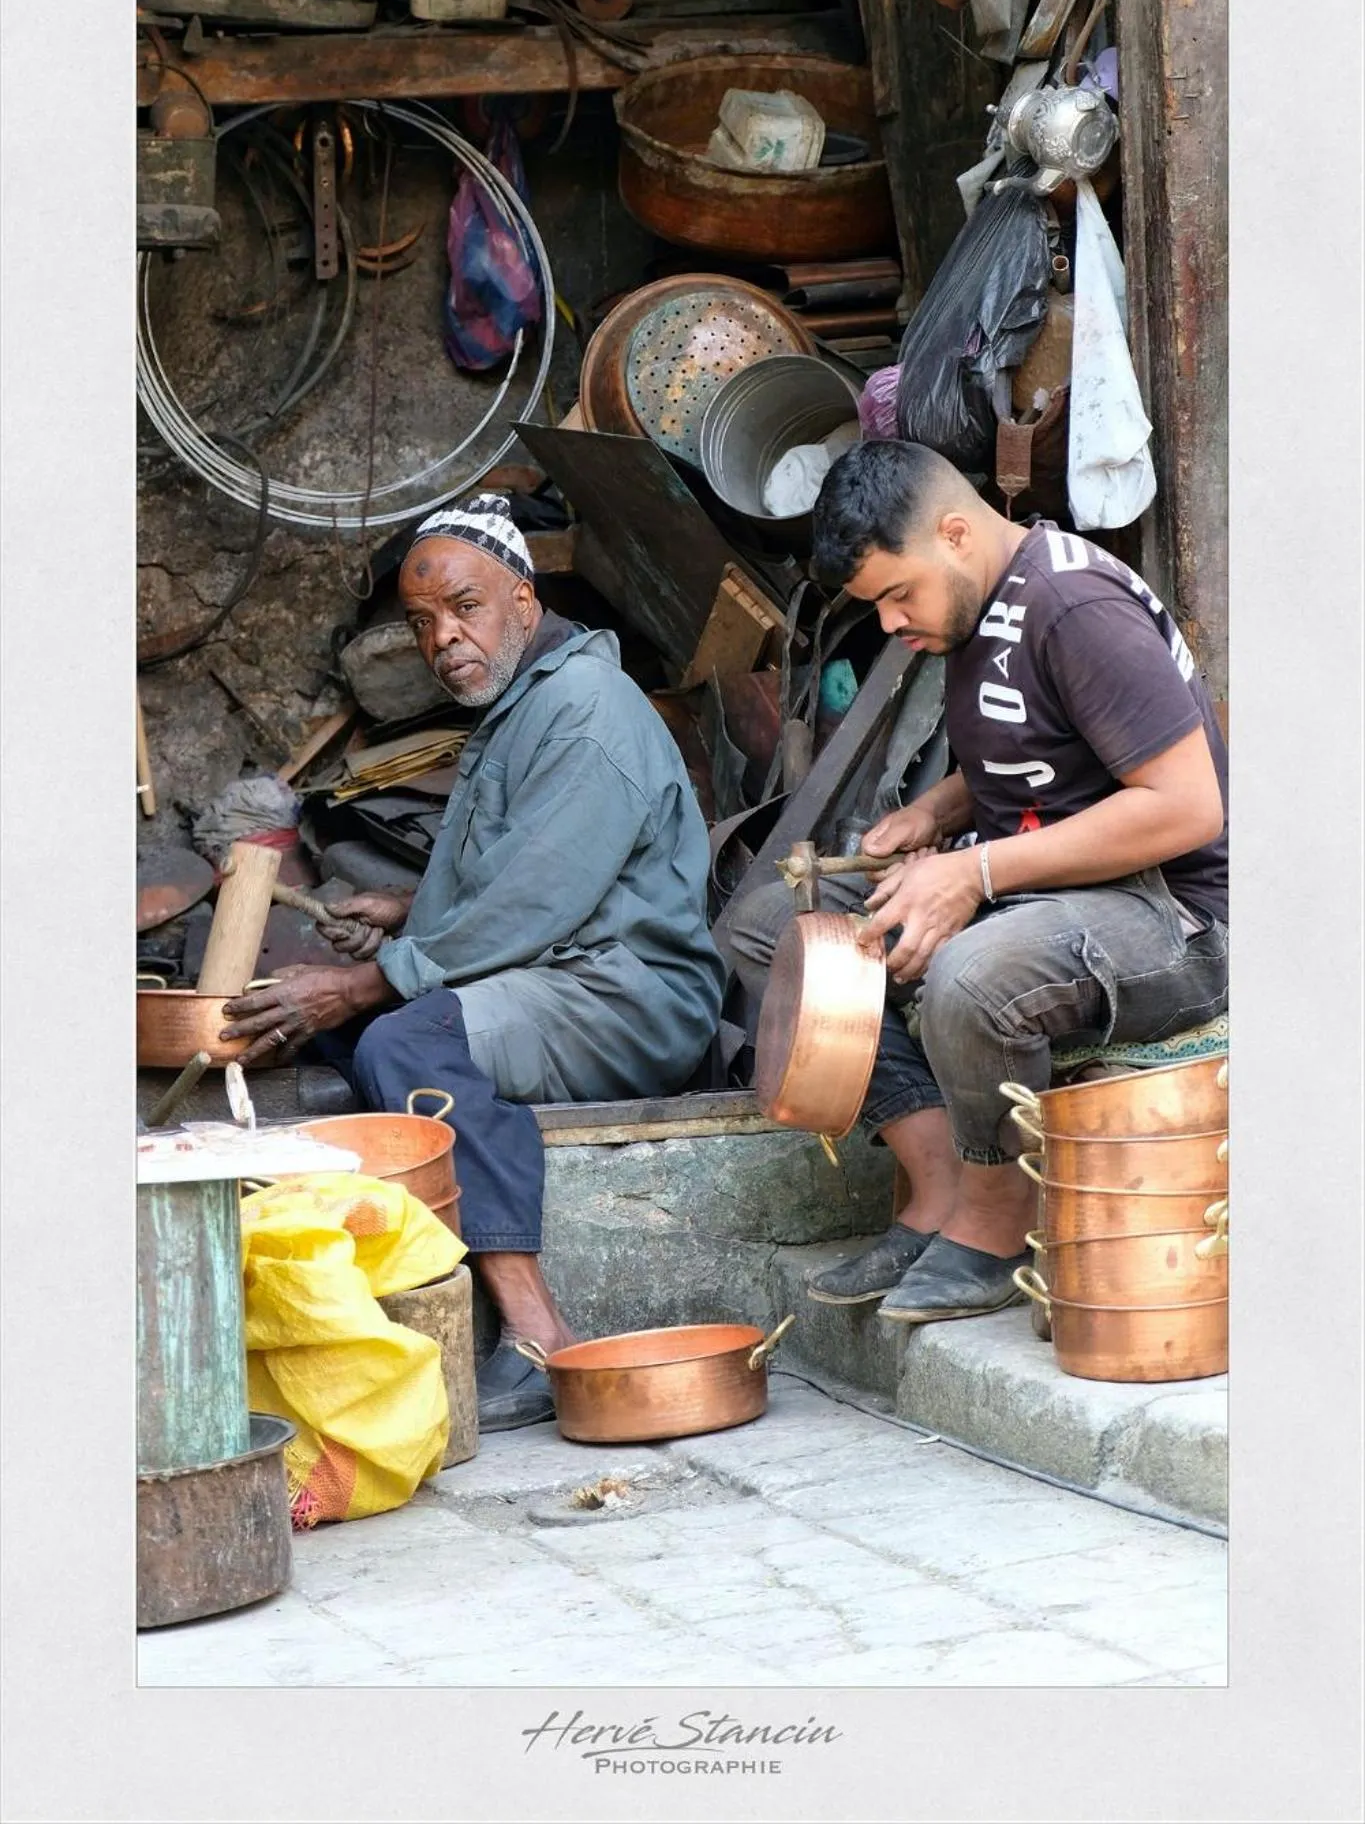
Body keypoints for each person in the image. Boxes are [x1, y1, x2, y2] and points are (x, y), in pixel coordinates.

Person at [223, 494, 725, 1428]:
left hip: (626, 995)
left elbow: (534, 901)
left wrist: (369, 981)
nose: (443, 638)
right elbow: (523, 874)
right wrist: (407, 913)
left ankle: (534, 1331)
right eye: (422, 622)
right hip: (560, 970)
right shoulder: (522, 701)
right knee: (345, 1034)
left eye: (465, 607)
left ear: (523, 603)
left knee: (406, 1041)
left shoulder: (584, 708)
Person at [727, 439, 1228, 1324]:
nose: (889, 622)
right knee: (774, 927)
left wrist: (974, 870)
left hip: (1169, 914)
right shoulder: (976, 602)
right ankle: (940, 1188)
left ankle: (999, 1219)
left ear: (954, 534)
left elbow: (1186, 808)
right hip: (1047, 887)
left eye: (897, 594)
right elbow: (1042, 745)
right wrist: (938, 811)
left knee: (973, 977)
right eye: (875, 605)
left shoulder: (1073, 608)